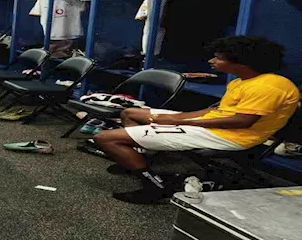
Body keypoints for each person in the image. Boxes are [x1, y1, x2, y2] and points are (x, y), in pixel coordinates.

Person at [95, 36, 300, 204]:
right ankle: (136, 160)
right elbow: (215, 111)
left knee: (105, 138)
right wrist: (175, 117)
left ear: (241, 62)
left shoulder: (268, 87)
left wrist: (181, 122)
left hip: (231, 137)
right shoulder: (242, 81)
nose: (212, 61)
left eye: (218, 58)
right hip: (215, 126)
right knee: (130, 113)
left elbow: (241, 122)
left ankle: (155, 186)